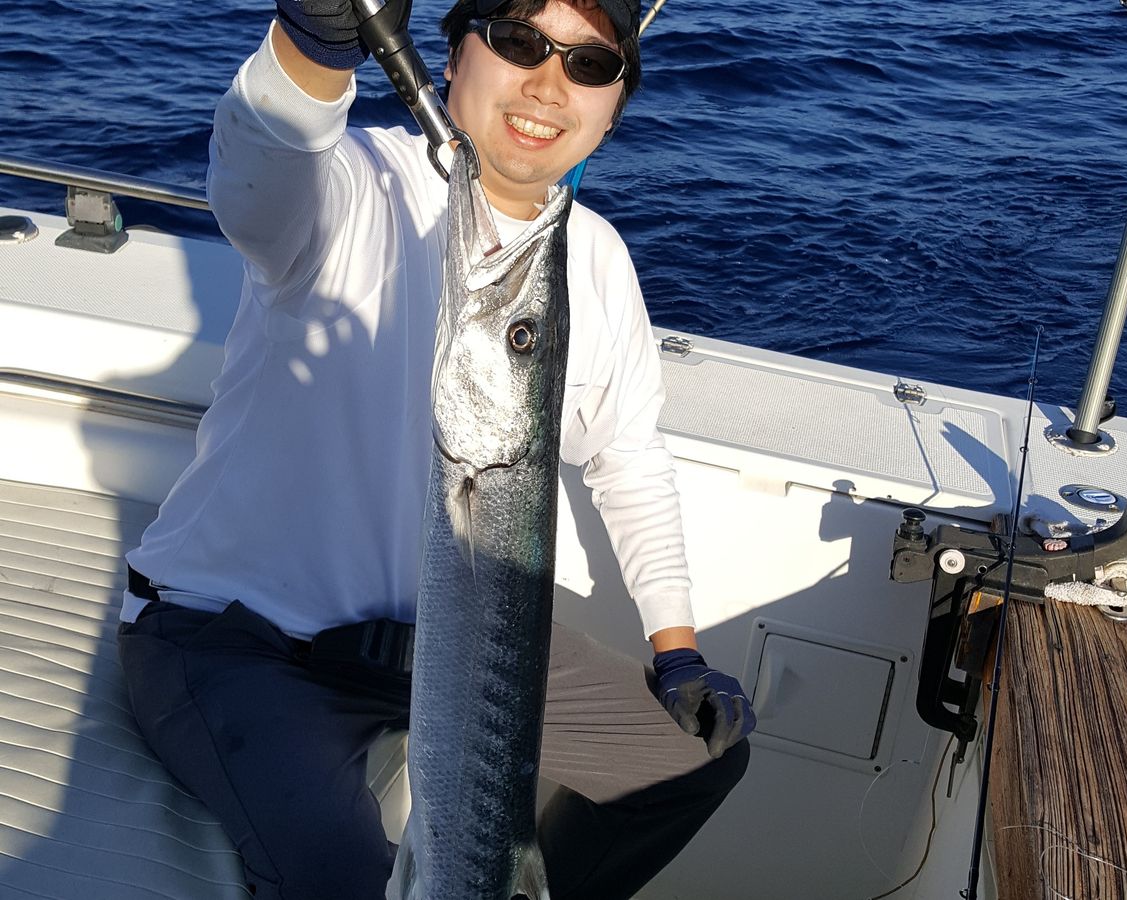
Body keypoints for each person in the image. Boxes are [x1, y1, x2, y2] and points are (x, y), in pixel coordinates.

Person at [117, 0, 756, 897]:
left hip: (455, 649)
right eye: (520, 42)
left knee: (694, 763)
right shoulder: (353, 185)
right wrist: (315, 43)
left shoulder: (595, 257)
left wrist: (677, 652)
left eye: (590, 65)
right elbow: (261, 173)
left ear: (613, 108)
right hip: (243, 643)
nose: (548, 85)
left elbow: (627, 457)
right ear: (453, 56)